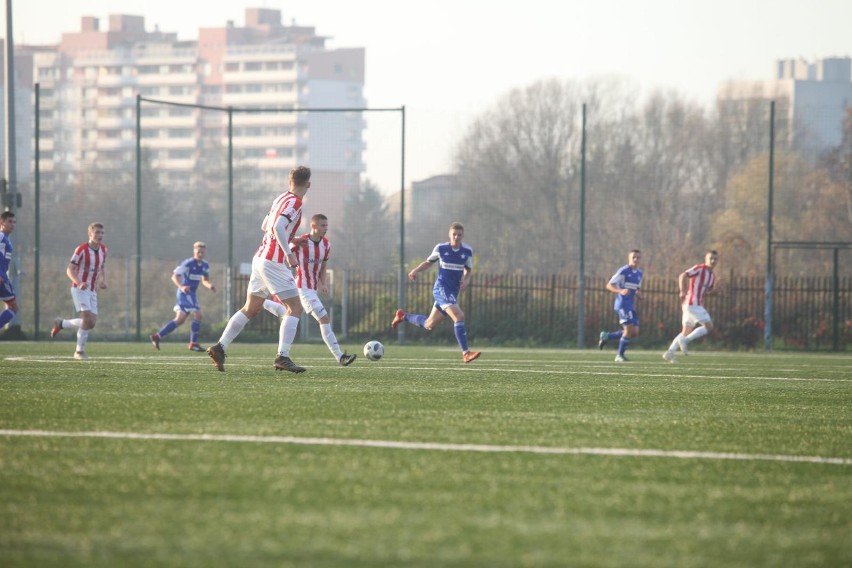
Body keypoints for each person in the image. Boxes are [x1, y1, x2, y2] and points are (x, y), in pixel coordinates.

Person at [207, 165, 311, 373]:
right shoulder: (296, 203)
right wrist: (289, 253)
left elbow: (266, 225)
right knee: (295, 308)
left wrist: (292, 238)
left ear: (289, 181)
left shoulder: (280, 198)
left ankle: (220, 347)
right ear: (308, 184)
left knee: (251, 308)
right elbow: (277, 227)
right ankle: (283, 356)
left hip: (260, 258)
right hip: (274, 261)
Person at [263, 214, 356, 366]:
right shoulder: (301, 242)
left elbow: (323, 266)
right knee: (324, 318)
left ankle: (264, 303)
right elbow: (283, 247)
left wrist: (323, 283)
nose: (326, 228)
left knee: (287, 314)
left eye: (326, 225)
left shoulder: (326, 245)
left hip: (312, 289)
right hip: (301, 288)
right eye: (322, 226)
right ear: (313, 226)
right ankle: (340, 357)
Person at [391, 222, 481, 363]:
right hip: (441, 289)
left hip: (452, 292)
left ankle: (403, 316)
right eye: (454, 234)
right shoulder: (441, 248)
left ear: (462, 236)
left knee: (429, 324)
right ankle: (466, 353)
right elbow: (429, 262)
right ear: (449, 235)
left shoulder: (467, 251)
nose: (456, 237)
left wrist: (466, 280)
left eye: (459, 235)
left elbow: (468, 270)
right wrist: (416, 270)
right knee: (459, 316)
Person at [50, 222, 109, 360]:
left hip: (92, 290)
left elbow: (102, 268)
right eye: (97, 233)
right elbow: (69, 269)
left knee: (91, 323)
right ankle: (79, 352)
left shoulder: (104, 250)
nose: (100, 235)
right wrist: (79, 282)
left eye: (102, 233)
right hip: (79, 289)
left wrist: (102, 280)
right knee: (87, 319)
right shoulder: (81, 249)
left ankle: (61, 323)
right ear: (90, 233)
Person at [150, 241, 217, 352]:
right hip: (185, 293)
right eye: (198, 251)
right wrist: (181, 286)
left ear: (204, 252)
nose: (200, 254)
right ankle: (193, 343)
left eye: (202, 252)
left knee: (180, 319)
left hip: (191, 294)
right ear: (194, 251)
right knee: (198, 314)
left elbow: (205, 280)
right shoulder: (188, 263)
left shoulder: (205, 265)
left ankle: (157, 336)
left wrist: (210, 286)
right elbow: (174, 276)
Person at [662, 250, 719, 363]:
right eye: (711, 258)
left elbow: (706, 291)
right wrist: (682, 290)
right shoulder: (699, 269)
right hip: (692, 303)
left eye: (715, 259)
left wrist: (715, 293)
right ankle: (685, 341)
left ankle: (670, 353)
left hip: (691, 305)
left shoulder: (712, 276)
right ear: (706, 259)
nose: (713, 261)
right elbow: (683, 275)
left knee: (686, 330)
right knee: (709, 326)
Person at [598, 249, 643, 362]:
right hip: (622, 304)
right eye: (634, 257)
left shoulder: (639, 273)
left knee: (634, 332)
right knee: (628, 330)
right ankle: (619, 355)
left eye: (638, 257)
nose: (636, 259)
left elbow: (635, 288)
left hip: (631, 305)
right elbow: (609, 285)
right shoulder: (623, 271)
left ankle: (607, 336)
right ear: (629, 258)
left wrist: (638, 294)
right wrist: (620, 290)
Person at [0, 211, 18, 331]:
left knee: (13, 307)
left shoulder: (6, 238)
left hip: (3, 277)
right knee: (13, 307)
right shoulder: (1, 236)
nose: (12, 224)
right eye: (9, 221)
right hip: (1, 278)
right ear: (2, 222)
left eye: (14, 222)